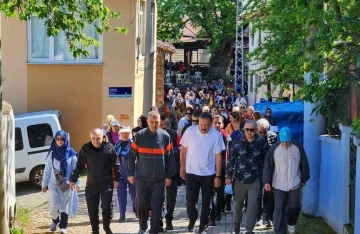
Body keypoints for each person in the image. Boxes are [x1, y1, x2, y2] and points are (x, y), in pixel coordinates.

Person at [127, 111, 176, 234]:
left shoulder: (165, 136)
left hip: (159, 179)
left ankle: (154, 230)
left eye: (157, 122)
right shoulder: (139, 135)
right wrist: (130, 173)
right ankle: (143, 226)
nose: (154, 125)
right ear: (147, 122)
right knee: (142, 205)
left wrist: (169, 176)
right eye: (152, 122)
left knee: (157, 206)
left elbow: (170, 158)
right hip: (142, 178)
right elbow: (131, 156)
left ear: (160, 122)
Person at [180, 112, 225, 234]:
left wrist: (218, 176)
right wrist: (182, 168)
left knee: (207, 203)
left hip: (208, 174)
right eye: (201, 124)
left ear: (211, 124)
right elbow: (183, 150)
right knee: (190, 202)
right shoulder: (190, 131)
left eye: (206, 125)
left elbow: (219, 157)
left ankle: (203, 227)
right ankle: (193, 219)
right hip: (191, 173)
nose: (203, 127)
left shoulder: (216, 136)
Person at [70, 128, 121, 234]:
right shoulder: (85, 149)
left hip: (106, 184)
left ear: (103, 137)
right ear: (90, 138)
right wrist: (73, 179)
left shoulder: (109, 147)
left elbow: (116, 163)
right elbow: (79, 166)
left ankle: (107, 227)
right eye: (93, 138)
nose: (95, 141)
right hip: (91, 185)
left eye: (98, 138)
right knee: (92, 210)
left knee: (106, 208)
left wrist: (117, 178)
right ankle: (95, 230)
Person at [263, 127, 310, 234]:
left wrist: (304, 178)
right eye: (283, 141)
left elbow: (304, 164)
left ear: (291, 139)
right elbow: (268, 166)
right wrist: (266, 181)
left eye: (287, 141)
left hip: (294, 184)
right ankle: (280, 231)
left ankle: (291, 223)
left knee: (295, 206)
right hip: (278, 184)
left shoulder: (298, 147)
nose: (284, 143)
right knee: (279, 208)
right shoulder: (273, 149)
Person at [226, 120, 269, 234]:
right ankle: (237, 222)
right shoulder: (237, 141)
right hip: (239, 179)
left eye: (252, 130)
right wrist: (228, 176)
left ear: (256, 130)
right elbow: (231, 160)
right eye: (247, 129)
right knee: (238, 205)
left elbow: (267, 162)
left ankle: (249, 229)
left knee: (253, 206)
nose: (249, 132)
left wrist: (266, 179)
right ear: (244, 130)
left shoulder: (261, 143)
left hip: (255, 180)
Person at [42, 130, 78, 234]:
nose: (60, 141)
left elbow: (75, 169)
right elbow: (47, 170)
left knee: (64, 204)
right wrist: (44, 184)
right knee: (54, 204)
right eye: (57, 139)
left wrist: (76, 182)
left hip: (66, 184)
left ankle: (63, 226)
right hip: (53, 183)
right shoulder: (52, 154)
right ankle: (55, 220)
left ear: (65, 140)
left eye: (62, 139)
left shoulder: (71, 153)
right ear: (55, 140)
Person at [255, 118, 279, 227]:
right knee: (257, 195)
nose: (262, 134)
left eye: (264, 132)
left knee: (270, 195)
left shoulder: (273, 136)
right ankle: (258, 218)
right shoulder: (252, 137)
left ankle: (269, 218)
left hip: (270, 169)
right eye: (260, 132)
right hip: (257, 170)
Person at [160, 116, 182, 231]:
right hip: (157, 172)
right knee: (157, 197)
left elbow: (181, 147)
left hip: (172, 171)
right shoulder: (152, 135)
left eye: (165, 124)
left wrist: (170, 151)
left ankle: (169, 219)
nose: (163, 127)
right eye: (161, 125)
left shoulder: (173, 134)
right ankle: (158, 220)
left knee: (171, 198)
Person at [114, 126, 136, 222]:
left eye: (126, 133)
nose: (124, 135)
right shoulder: (117, 146)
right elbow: (114, 160)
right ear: (120, 135)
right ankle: (122, 215)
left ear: (129, 134)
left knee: (135, 194)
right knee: (121, 195)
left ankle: (137, 211)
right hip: (121, 174)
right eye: (122, 133)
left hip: (132, 173)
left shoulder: (134, 145)